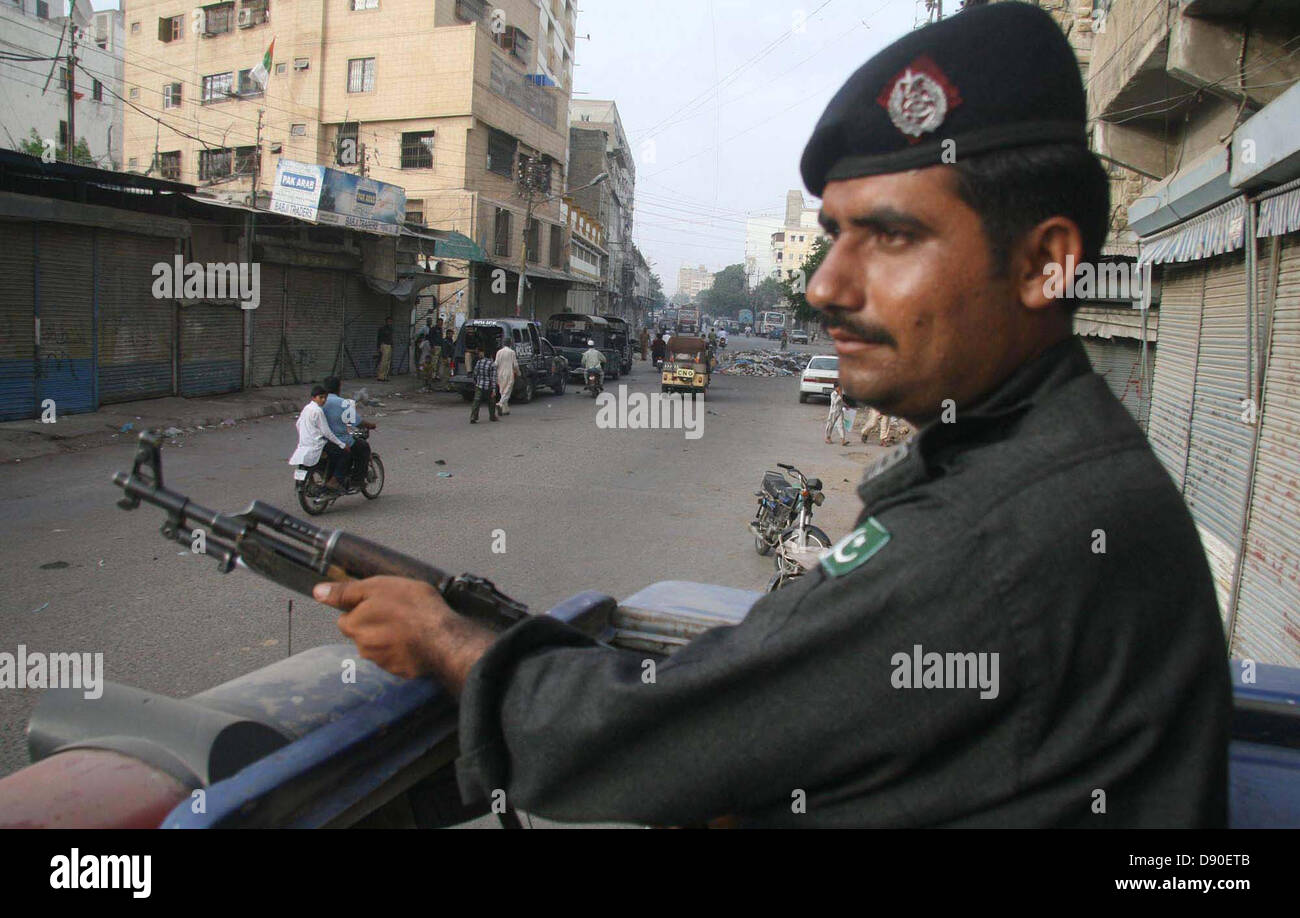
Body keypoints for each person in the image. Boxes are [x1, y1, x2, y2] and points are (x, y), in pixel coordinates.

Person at [312, 3, 1229, 828]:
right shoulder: (1038, 453)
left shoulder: (1000, 535)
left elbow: (649, 742)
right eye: (833, 236)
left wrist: (446, 638)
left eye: (895, 236)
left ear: (1044, 265)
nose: (827, 287)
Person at [289, 384, 349, 492]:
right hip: (317, 444)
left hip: (304, 444)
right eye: (320, 397)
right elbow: (327, 432)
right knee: (345, 454)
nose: (323, 400)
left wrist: (306, 435)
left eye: (325, 397)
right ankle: (335, 481)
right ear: (313, 397)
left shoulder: (306, 408)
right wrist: (342, 444)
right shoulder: (318, 411)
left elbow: (298, 424)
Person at [322, 376, 376, 485]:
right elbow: (357, 422)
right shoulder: (343, 403)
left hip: (318, 441)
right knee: (363, 447)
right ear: (339, 388)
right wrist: (371, 425)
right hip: (338, 440)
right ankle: (357, 480)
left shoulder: (318, 402)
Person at [469, 348, 497, 423]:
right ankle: (492, 416)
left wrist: (476, 382)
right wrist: (494, 390)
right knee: (491, 402)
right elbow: (493, 378)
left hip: (479, 385)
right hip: (488, 386)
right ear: (491, 356)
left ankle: (473, 417)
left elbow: (475, 373)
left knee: (476, 401)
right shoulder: (492, 364)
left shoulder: (479, 362)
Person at [495, 337, 521, 416]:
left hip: (500, 374)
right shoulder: (511, 352)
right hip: (509, 373)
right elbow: (515, 365)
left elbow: (496, 364)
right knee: (507, 391)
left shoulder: (499, 352)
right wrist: (518, 372)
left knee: (502, 390)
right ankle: (500, 403)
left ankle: (505, 410)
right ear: (510, 343)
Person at [824, 382, 847, 446]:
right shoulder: (833, 394)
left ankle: (843, 439)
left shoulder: (841, 394)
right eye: (839, 387)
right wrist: (840, 396)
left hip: (840, 411)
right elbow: (835, 402)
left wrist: (845, 405)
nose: (840, 389)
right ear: (835, 388)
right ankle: (828, 437)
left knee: (841, 425)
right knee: (830, 424)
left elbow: (841, 402)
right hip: (833, 412)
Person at [376, 317, 394, 381]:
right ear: (386, 322)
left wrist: (392, 345)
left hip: (389, 345)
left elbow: (391, 338)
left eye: (391, 321)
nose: (390, 322)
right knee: (383, 361)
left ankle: (385, 376)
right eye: (389, 321)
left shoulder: (391, 329)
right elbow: (379, 338)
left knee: (388, 362)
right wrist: (378, 347)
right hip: (384, 345)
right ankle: (380, 376)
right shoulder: (382, 329)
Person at [441, 325, 457, 390]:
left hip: (451, 358)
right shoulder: (445, 341)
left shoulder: (450, 341)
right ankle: (445, 386)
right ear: (447, 334)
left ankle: (450, 385)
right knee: (446, 373)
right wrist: (446, 358)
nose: (451, 335)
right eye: (450, 334)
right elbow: (444, 350)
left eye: (452, 334)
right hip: (447, 358)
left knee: (451, 372)